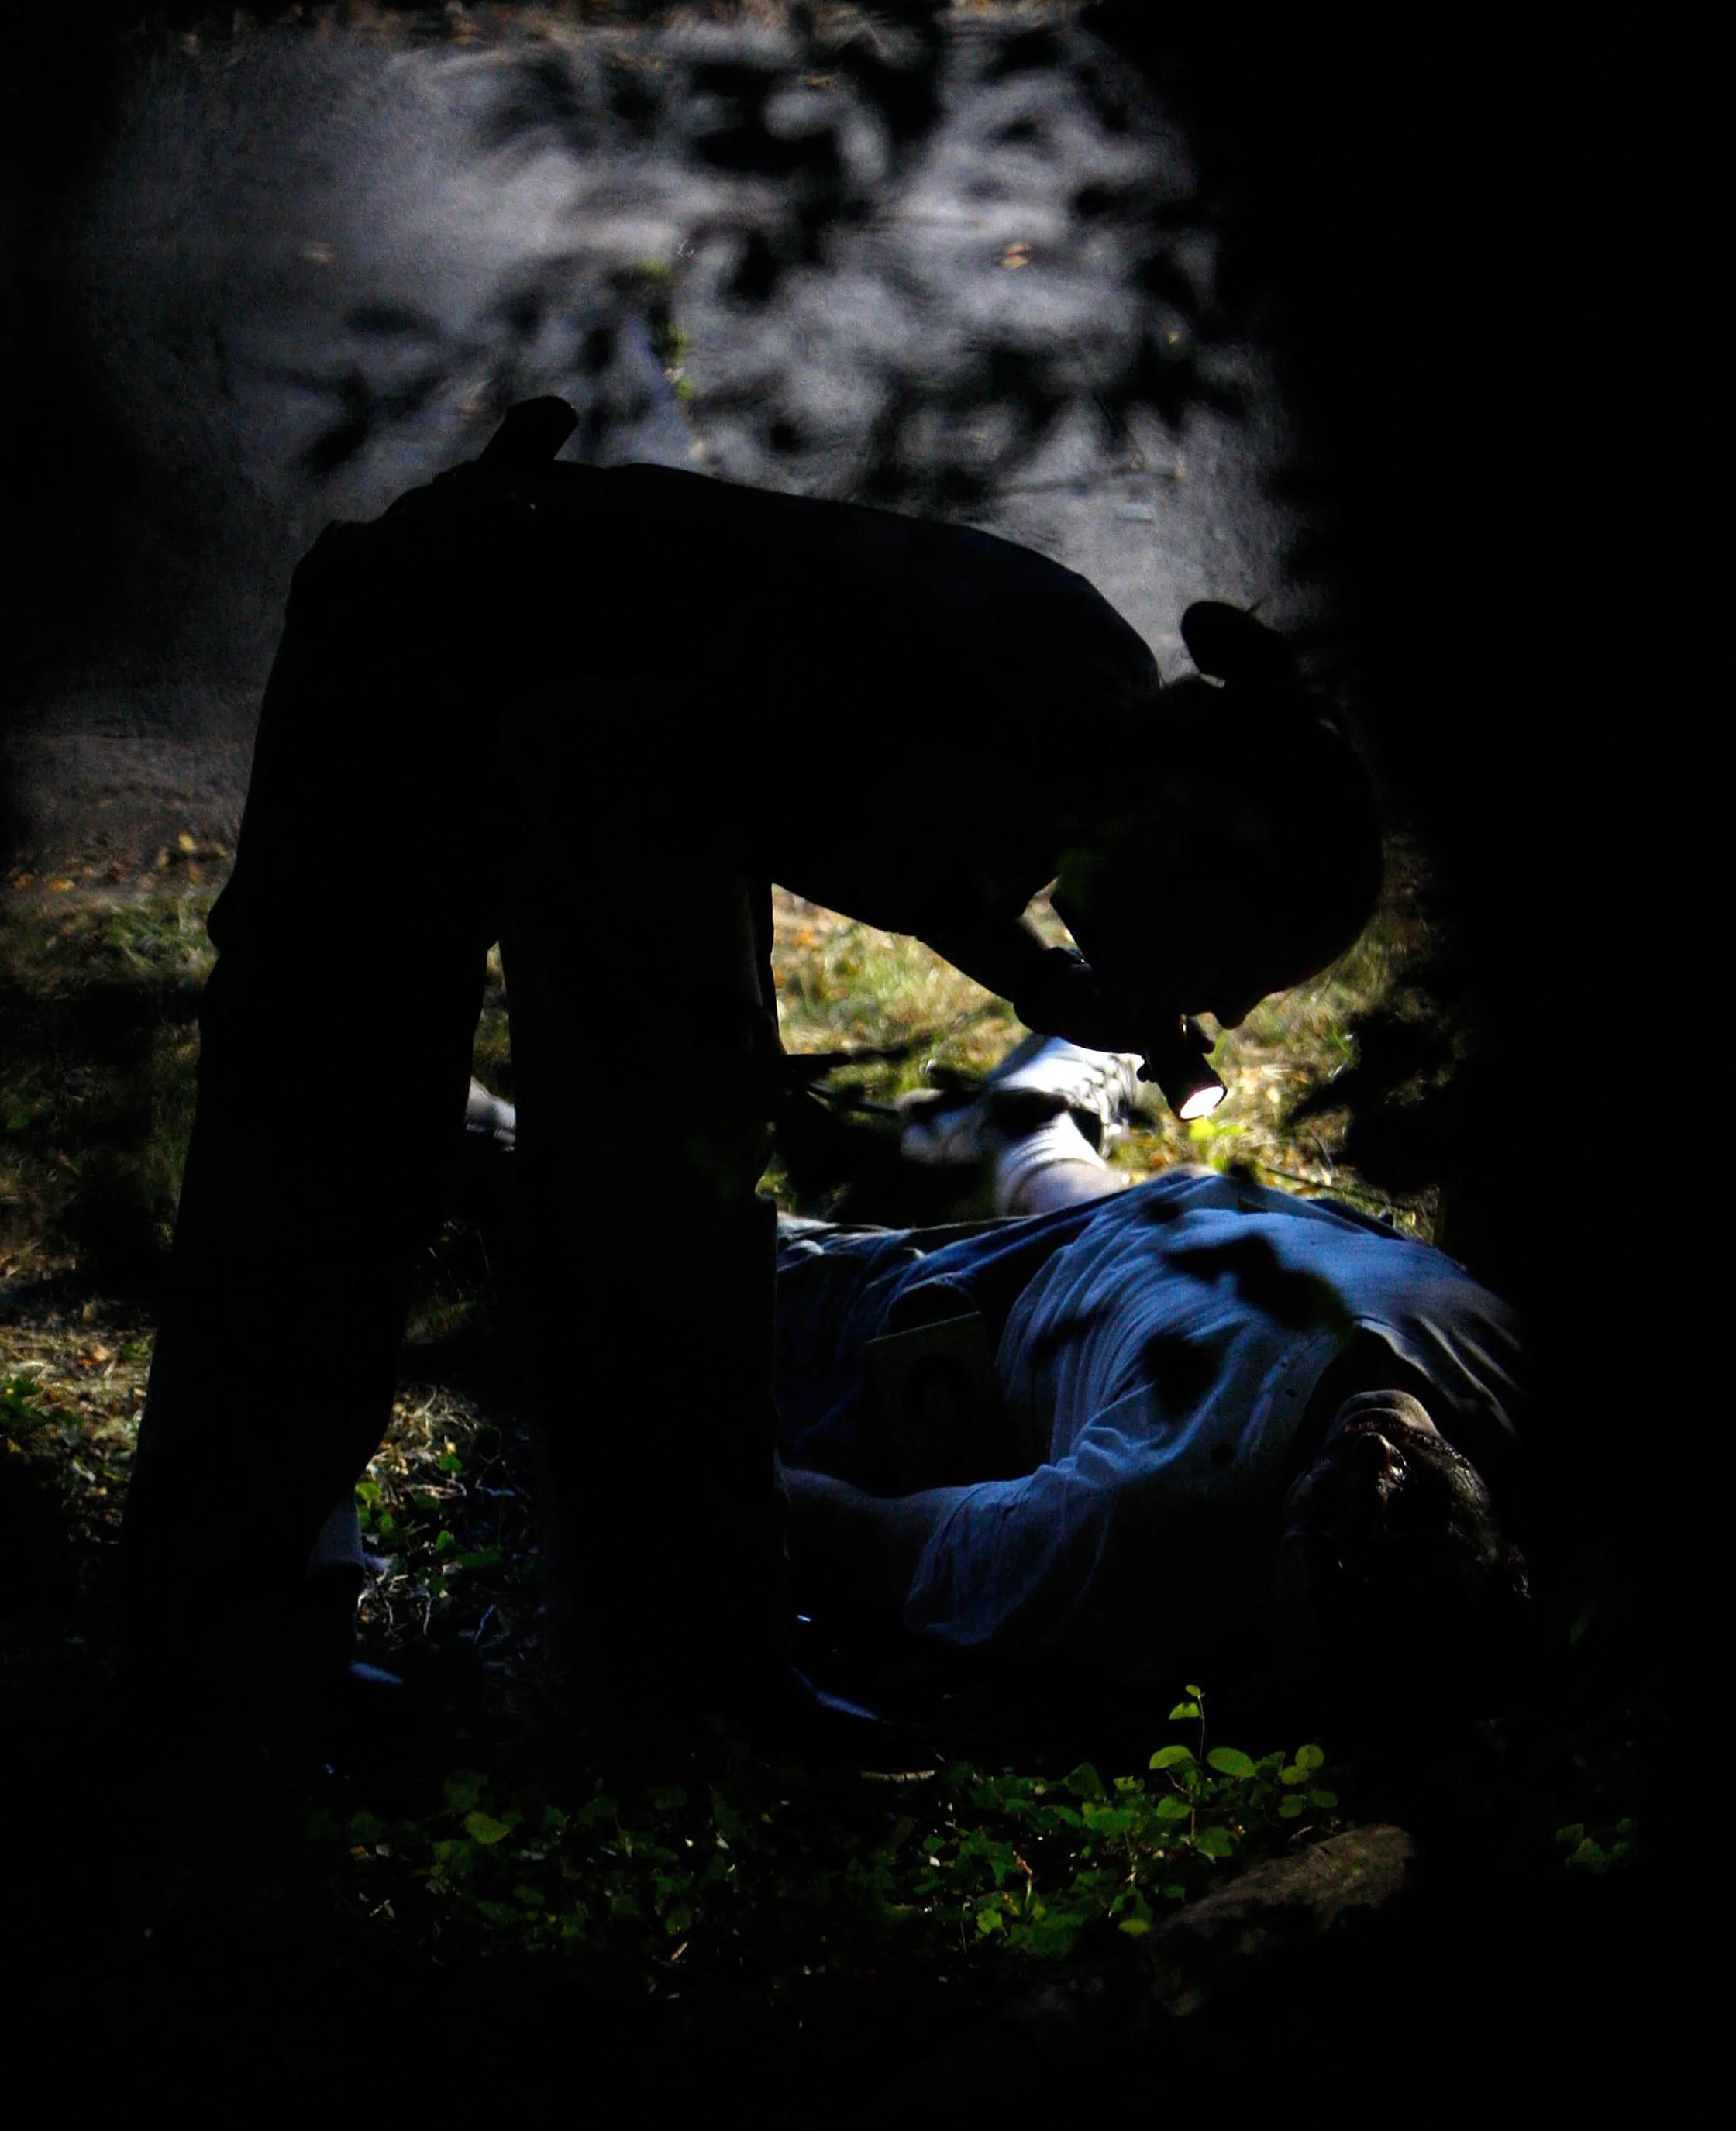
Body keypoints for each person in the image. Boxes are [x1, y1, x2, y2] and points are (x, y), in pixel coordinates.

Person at [122, 396, 1383, 1743]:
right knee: (329, 1164)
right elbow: (608, 752)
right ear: (1195, 856)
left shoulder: (1090, 715)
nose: (1231, 1008)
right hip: (442, 660)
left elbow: (889, 838)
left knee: (672, 1197)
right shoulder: (1002, 718)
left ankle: (690, 1656)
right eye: (1238, 968)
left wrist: (1045, 985)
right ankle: (223, 1647)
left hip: (606, 727)